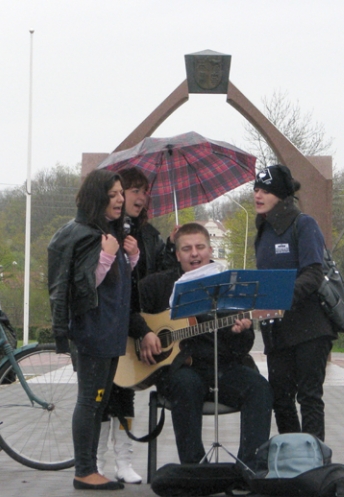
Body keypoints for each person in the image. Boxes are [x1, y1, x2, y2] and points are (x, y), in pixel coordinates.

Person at [137, 222, 273, 469]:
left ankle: (249, 467)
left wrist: (239, 332)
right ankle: (195, 470)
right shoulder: (154, 286)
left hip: (224, 366)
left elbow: (243, 347)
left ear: (210, 250)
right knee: (185, 386)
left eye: (200, 247)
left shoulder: (231, 286)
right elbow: (129, 316)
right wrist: (145, 333)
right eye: (187, 248)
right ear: (177, 255)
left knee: (260, 389)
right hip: (180, 369)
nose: (194, 253)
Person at [48, 168, 140, 491]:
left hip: (109, 331)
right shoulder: (88, 235)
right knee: (89, 400)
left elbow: (116, 284)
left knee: (99, 401)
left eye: (120, 193)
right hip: (93, 332)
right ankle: (84, 469)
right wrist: (106, 255)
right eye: (112, 194)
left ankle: (88, 468)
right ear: (96, 198)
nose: (119, 199)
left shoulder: (106, 233)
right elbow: (84, 288)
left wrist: (131, 256)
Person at [96, 167, 177, 484]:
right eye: (133, 190)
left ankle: (124, 462)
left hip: (139, 323)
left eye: (145, 191)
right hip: (112, 324)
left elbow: (161, 278)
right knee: (103, 396)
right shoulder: (106, 231)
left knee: (126, 393)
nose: (140, 197)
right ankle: (98, 462)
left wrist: (170, 246)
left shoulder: (150, 234)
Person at [253, 164, 337, 441]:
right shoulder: (262, 230)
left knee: (309, 397)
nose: (258, 194)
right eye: (256, 189)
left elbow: (313, 274)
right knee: (280, 398)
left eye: (265, 190)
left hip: (309, 328)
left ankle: (312, 463)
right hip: (276, 331)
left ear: (280, 194)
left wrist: (281, 298)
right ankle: (293, 456)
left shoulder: (304, 224)